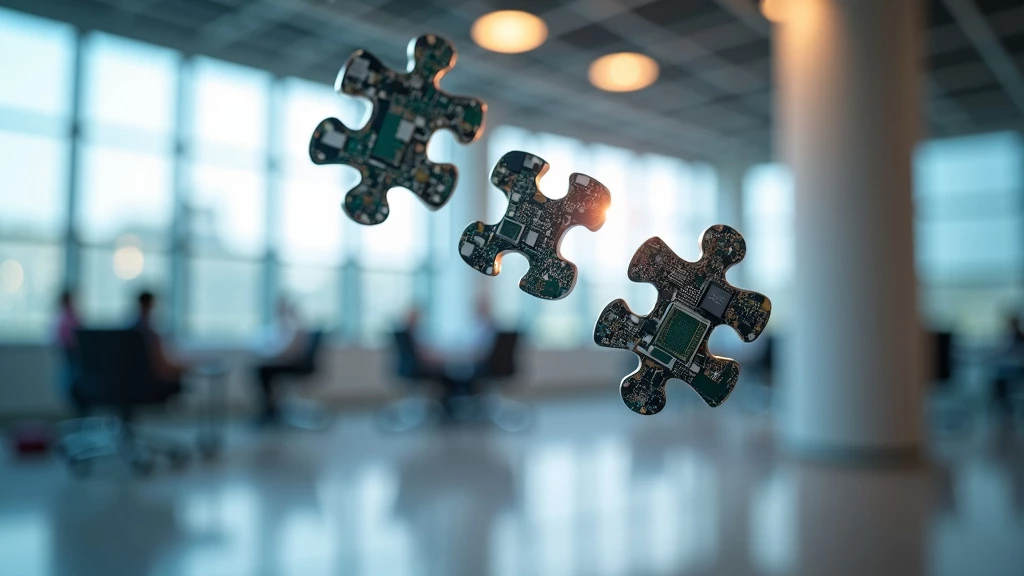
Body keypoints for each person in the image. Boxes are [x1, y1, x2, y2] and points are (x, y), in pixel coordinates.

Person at [253, 297, 311, 424]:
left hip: (297, 366)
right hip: (288, 362)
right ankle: (269, 408)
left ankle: (270, 410)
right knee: (260, 369)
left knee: (263, 371)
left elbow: (291, 353)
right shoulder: (286, 327)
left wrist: (273, 357)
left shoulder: (298, 327)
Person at [132, 291, 186, 390]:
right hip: (150, 381)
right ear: (151, 306)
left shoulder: (131, 330)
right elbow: (161, 366)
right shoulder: (148, 333)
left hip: (131, 382)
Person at [52, 289, 85, 413]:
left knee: (74, 383)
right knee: (73, 384)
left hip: (75, 355)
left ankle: (79, 412)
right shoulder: (66, 318)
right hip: (71, 354)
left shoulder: (68, 317)